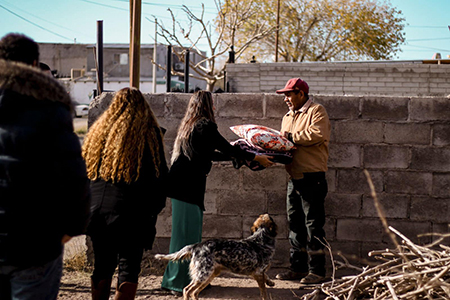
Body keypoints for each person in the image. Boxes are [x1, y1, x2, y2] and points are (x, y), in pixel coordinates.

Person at [0, 33, 91, 299]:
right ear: (35, 61)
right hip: (35, 246)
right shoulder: (51, 108)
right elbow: (74, 179)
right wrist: (71, 229)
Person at [161, 90, 273, 295]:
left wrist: (239, 159)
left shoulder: (191, 126)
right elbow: (227, 148)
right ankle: (178, 283)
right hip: (187, 186)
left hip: (182, 185)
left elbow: (209, 155)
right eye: (211, 103)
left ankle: (190, 277)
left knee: (188, 232)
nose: (214, 107)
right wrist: (255, 158)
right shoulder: (205, 125)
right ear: (206, 105)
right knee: (186, 235)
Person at [82, 87, 168, 300]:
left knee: (102, 265)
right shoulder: (149, 134)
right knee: (129, 267)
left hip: (98, 210)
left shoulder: (98, 132)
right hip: (132, 213)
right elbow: (160, 177)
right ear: (144, 108)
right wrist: (154, 208)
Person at [274, 78, 331, 284]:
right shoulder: (287, 116)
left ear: (301, 94)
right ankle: (297, 268)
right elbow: (284, 144)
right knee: (295, 225)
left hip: (312, 177)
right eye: (285, 95)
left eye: (289, 94)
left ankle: (317, 271)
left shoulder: (317, 111)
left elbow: (316, 134)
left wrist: (288, 136)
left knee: (313, 226)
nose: (286, 99)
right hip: (294, 178)